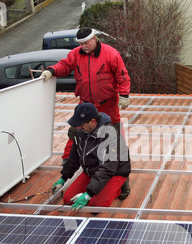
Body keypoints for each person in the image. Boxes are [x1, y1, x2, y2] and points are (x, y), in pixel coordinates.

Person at [41, 27, 131, 199]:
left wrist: (124, 95)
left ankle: (123, 183)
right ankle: (85, 174)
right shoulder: (76, 54)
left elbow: (122, 75)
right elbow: (65, 65)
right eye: (81, 44)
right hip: (86, 106)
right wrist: (51, 71)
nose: (84, 47)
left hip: (108, 106)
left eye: (86, 43)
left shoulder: (111, 54)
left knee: (116, 143)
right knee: (80, 138)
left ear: (94, 39)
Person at [51, 103, 131, 211]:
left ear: (93, 121)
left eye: (81, 124)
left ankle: (119, 188)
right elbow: (74, 157)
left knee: (95, 207)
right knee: (68, 200)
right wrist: (63, 178)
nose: (78, 127)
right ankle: (97, 189)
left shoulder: (110, 136)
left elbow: (107, 169)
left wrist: (88, 194)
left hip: (114, 172)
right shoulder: (80, 132)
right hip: (92, 170)